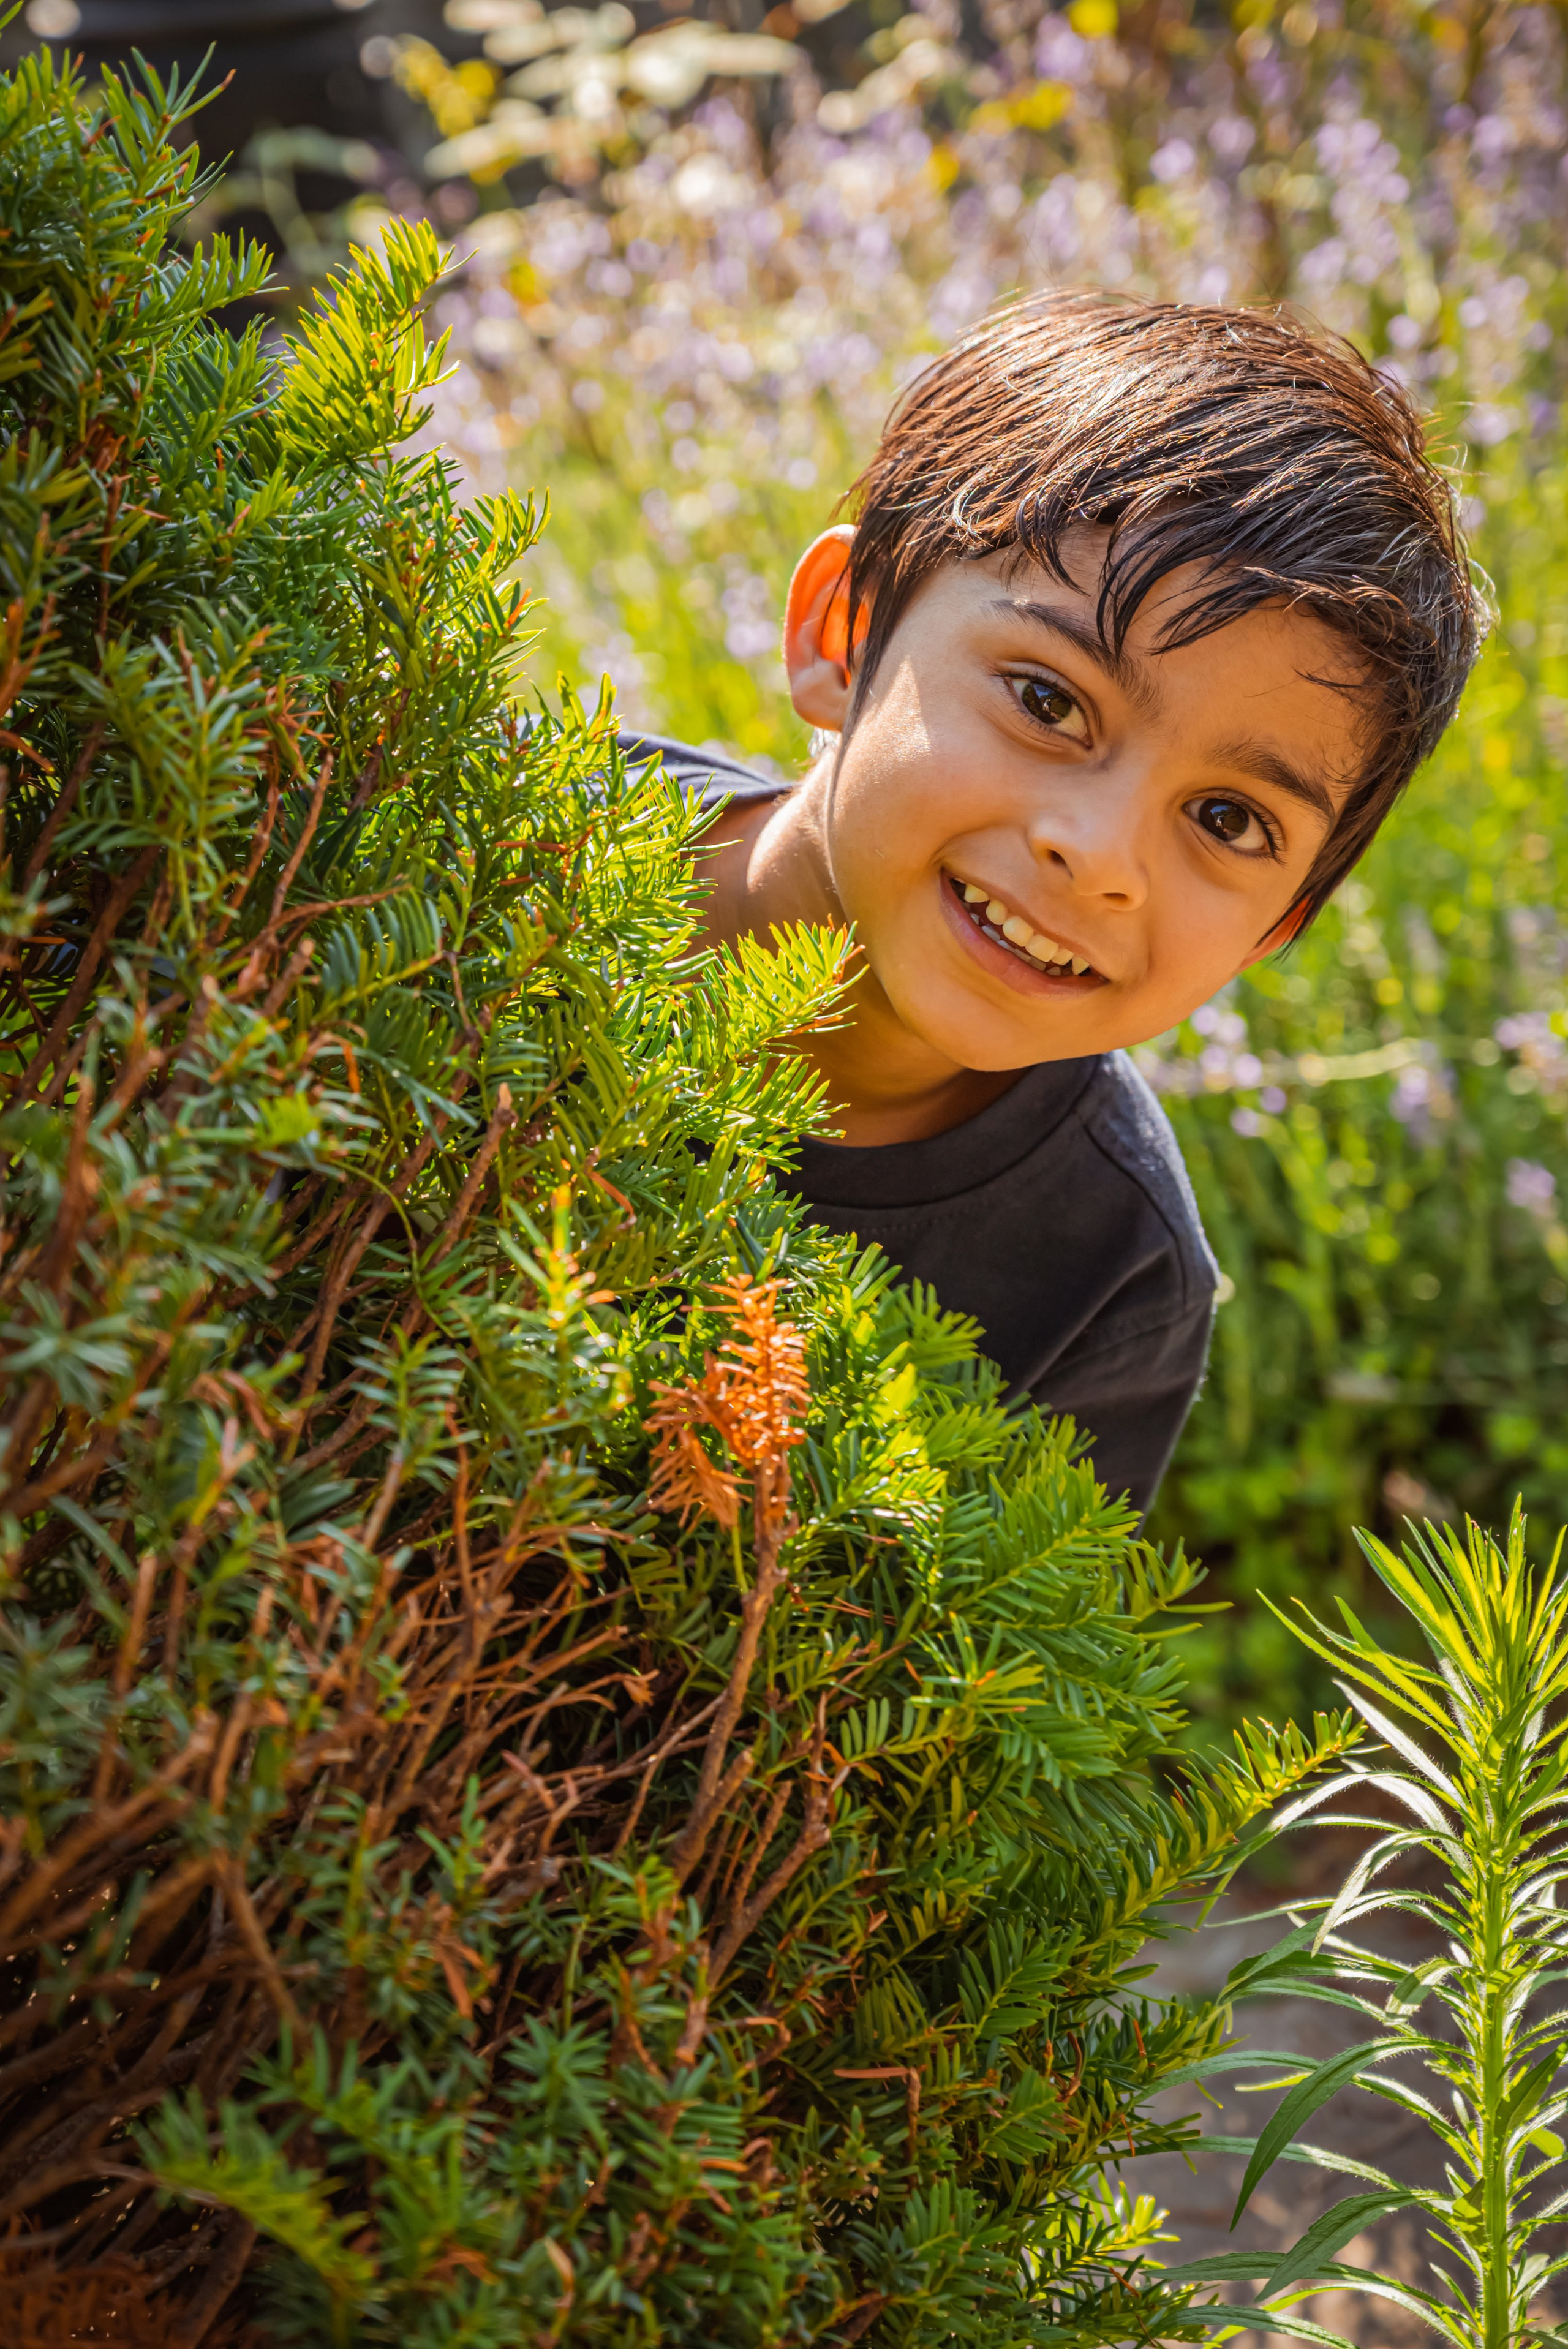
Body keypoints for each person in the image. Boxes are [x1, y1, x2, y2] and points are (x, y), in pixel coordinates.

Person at [620, 292, 1483, 1515]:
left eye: (1227, 820)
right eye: (1044, 699)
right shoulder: (479, 836)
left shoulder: (1109, 1279)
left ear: (1275, 926)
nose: (1096, 853)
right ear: (843, 632)